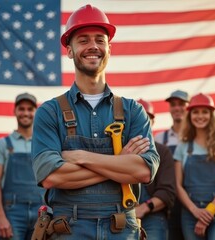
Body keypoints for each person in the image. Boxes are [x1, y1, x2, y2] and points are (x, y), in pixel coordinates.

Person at [31, 4, 160, 239]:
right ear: (69, 50)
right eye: (83, 40)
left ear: (109, 48)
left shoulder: (134, 111)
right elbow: (52, 176)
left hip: (121, 228)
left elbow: (143, 171)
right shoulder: (49, 112)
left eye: (100, 40)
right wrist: (120, 163)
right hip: (69, 228)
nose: (93, 46)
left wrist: (82, 157)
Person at [174, 93, 215, 240]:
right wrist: (195, 211)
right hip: (190, 212)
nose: (200, 116)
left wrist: (208, 212)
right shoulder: (182, 147)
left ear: (211, 115)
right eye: (195, 112)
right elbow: (177, 185)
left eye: (205, 112)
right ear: (189, 116)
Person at [0, 93, 45, 240]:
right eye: (21, 109)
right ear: (15, 111)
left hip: (42, 210)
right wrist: (0, 216)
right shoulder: (2, 144)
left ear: (35, 112)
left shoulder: (44, 143)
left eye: (29, 109)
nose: (25, 113)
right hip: (12, 211)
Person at [135, 99, 176, 240]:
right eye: (136, 118)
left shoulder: (163, 152)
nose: (141, 123)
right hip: (124, 217)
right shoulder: (119, 150)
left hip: (153, 216)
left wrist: (144, 208)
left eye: (146, 118)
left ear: (152, 122)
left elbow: (167, 191)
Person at [154, 89, 189, 240]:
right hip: (170, 203)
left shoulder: (197, 137)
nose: (177, 108)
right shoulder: (161, 138)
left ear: (188, 107)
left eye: (181, 104)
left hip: (193, 199)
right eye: (173, 104)